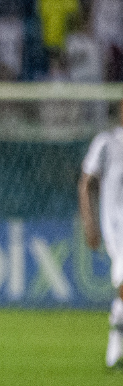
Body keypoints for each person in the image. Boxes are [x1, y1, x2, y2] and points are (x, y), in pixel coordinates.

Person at [79, 107, 123, 371]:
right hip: (117, 227)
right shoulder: (106, 143)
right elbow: (85, 183)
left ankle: (114, 349)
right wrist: (89, 222)